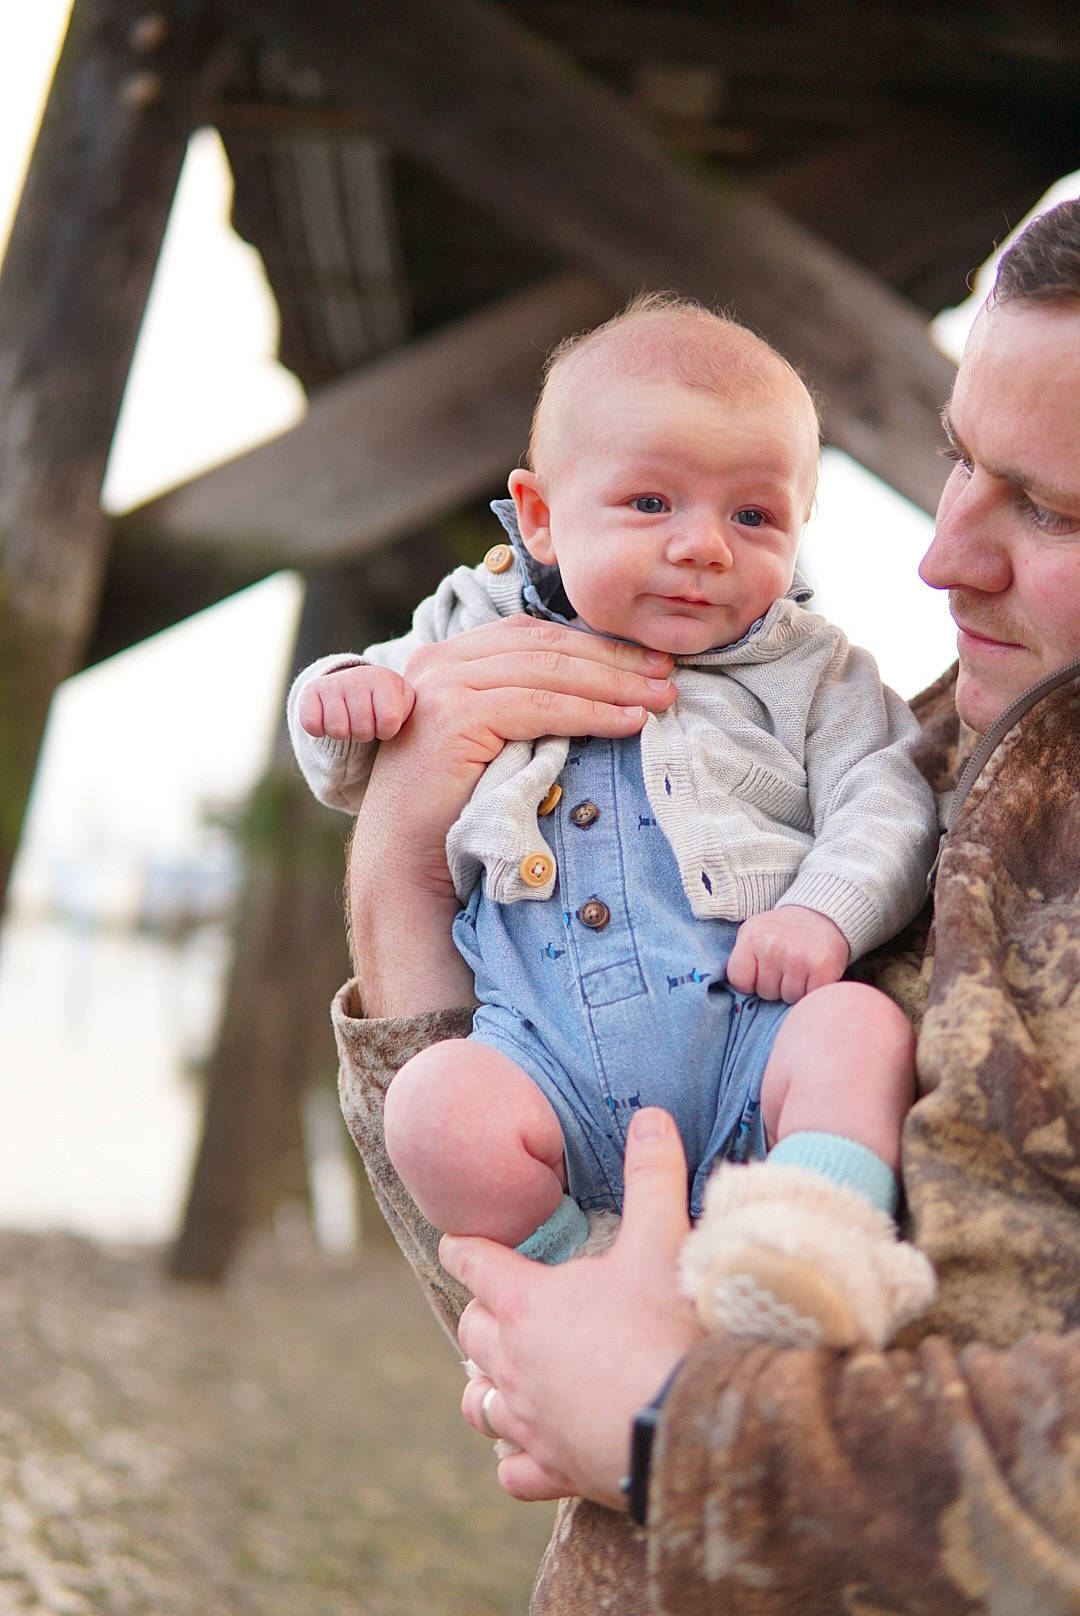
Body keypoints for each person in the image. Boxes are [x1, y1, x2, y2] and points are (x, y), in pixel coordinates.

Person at [327, 195, 1080, 1613]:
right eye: (958, 462)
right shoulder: (942, 741)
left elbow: (635, 1414)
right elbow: (528, 1348)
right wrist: (401, 860)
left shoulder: (845, 734)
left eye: (1047, 506)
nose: (942, 556)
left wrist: (681, 1426)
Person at [290, 296, 939, 1351]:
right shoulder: (472, 622)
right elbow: (357, 746)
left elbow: (892, 797)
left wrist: (827, 910)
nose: (703, 548)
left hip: (749, 1040)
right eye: (651, 501)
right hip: (541, 1058)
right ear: (540, 517)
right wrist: (339, 694)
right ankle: (566, 1270)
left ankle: (808, 1238)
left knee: (860, 1029)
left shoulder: (816, 669)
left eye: (755, 516)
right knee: (433, 1108)